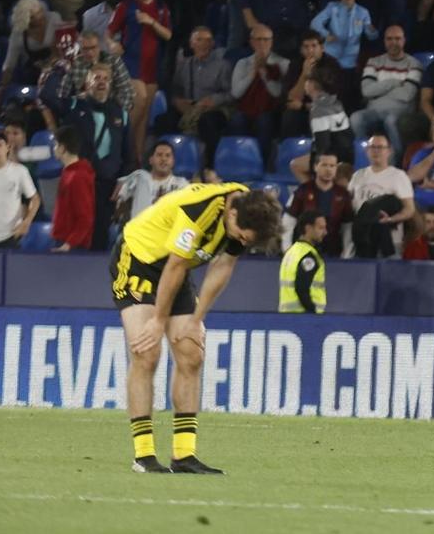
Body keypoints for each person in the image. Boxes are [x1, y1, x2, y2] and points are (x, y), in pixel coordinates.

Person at [111, 181, 283, 473]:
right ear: (231, 216)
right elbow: (175, 265)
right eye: (241, 236)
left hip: (176, 267)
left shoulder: (247, 208)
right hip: (140, 258)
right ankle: (144, 455)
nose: (241, 242)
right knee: (147, 352)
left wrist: (195, 320)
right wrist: (158, 321)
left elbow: (223, 266)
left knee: (191, 354)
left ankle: (184, 455)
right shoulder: (200, 211)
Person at [278, 211, 327, 314]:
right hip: (303, 317)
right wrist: (314, 312)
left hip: (286, 315)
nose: (325, 232)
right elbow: (301, 288)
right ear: (308, 228)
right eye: (321, 228)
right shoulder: (309, 256)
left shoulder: (291, 251)